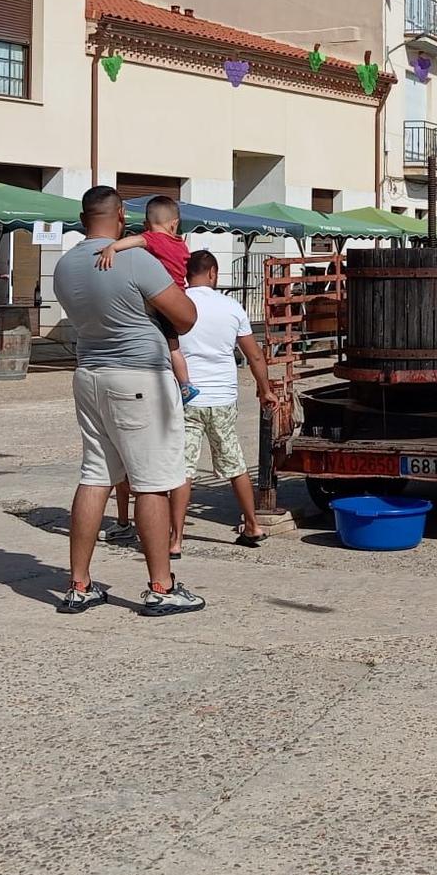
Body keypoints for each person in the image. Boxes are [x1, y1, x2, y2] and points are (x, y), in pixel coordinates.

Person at [51, 185, 201, 616]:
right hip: (139, 376)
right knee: (151, 481)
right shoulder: (137, 259)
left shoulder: (65, 266)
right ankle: (161, 585)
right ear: (121, 215)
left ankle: (79, 584)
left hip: (89, 373)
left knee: (95, 474)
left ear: (83, 219)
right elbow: (186, 317)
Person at [170, 248, 276, 553]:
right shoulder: (232, 307)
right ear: (213, 273)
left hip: (187, 397)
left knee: (184, 468)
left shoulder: (177, 304)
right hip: (222, 397)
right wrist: (265, 389)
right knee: (234, 463)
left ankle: (175, 540)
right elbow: (253, 354)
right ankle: (253, 525)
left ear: (188, 274)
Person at [93, 196, 200, 405]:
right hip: (178, 296)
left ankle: (179, 382)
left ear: (146, 225)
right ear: (175, 224)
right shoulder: (181, 245)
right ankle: (186, 383)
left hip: (161, 301)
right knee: (174, 346)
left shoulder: (153, 239)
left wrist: (113, 248)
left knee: (167, 345)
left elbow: (137, 241)